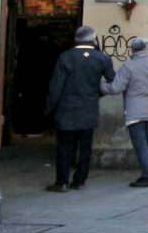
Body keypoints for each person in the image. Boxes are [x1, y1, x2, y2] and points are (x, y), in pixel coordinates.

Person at [45, 25, 114, 192]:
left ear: (76, 39)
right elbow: (112, 80)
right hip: (89, 108)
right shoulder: (102, 58)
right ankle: (80, 180)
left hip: (66, 109)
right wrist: (97, 93)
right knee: (85, 148)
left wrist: (49, 108)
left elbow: (56, 86)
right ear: (93, 39)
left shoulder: (66, 57)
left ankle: (62, 182)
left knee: (64, 147)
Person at [107, 35, 148, 187]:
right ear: (146, 48)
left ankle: (147, 176)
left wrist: (100, 86)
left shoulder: (128, 66)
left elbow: (116, 87)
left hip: (136, 111)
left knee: (140, 145)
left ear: (132, 50)